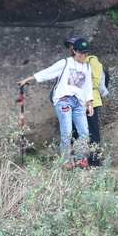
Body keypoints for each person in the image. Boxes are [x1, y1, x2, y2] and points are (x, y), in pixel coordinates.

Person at [19, 37, 94, 167]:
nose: (84, 55)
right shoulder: (65, 63)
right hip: (64, 100)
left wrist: (90, 102)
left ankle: (80, 159)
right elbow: (48, 72)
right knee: (67, 132)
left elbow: (88, 85)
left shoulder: (87, 66)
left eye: (86, 53)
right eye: (81, 53)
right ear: (74, 51)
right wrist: (30, 79)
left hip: (79, 102)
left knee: (84, 132)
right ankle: (66, 161)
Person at [70, 38, 107, 167]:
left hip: (92, 101)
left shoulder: (92, 60)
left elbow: (95, 82)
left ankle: (94, 161)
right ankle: (78, 160)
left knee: (92, 132)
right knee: (75, 132)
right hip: (76, 103)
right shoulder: (71, 63)